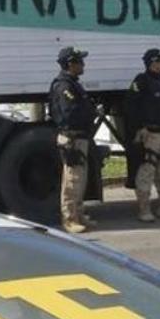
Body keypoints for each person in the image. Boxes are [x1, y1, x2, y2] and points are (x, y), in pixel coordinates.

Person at [125, 49, 160, 223]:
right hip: (150, 134)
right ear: (153, 63)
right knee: (146, 172)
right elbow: (131, 107)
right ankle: (144, 209)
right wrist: (140, 129)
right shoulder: (141, 81)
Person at [49, 46, 98, 233]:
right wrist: (89, 113)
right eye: (80, 61)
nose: (83, 65)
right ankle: (69, 219)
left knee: (80, 180)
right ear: (71, 64)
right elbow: (70, 114)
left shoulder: (73, 84)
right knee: (72, 181)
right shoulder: (64, 86)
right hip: (72, 138)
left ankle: (79, 214)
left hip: (80, 136)